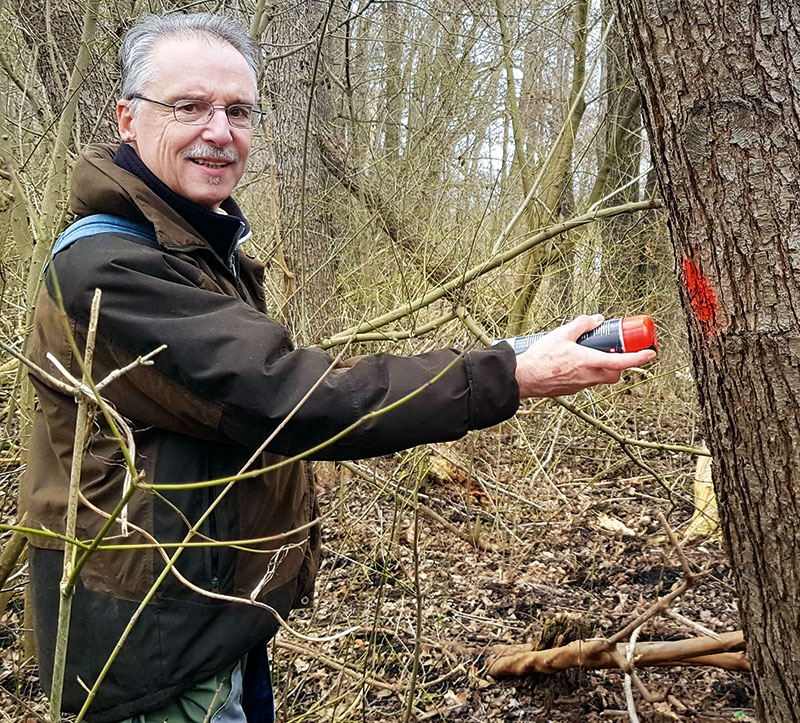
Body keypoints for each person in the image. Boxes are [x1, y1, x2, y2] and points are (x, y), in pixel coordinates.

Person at [22, 12, 656, 723]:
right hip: (149, 649)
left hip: (200, 616)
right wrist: (509, 376)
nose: (219, 131)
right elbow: (287, 395)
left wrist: (513, 354)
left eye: (238, 110)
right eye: (189, 107)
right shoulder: (111, 268)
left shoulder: (187, 242)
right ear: (129, 120)